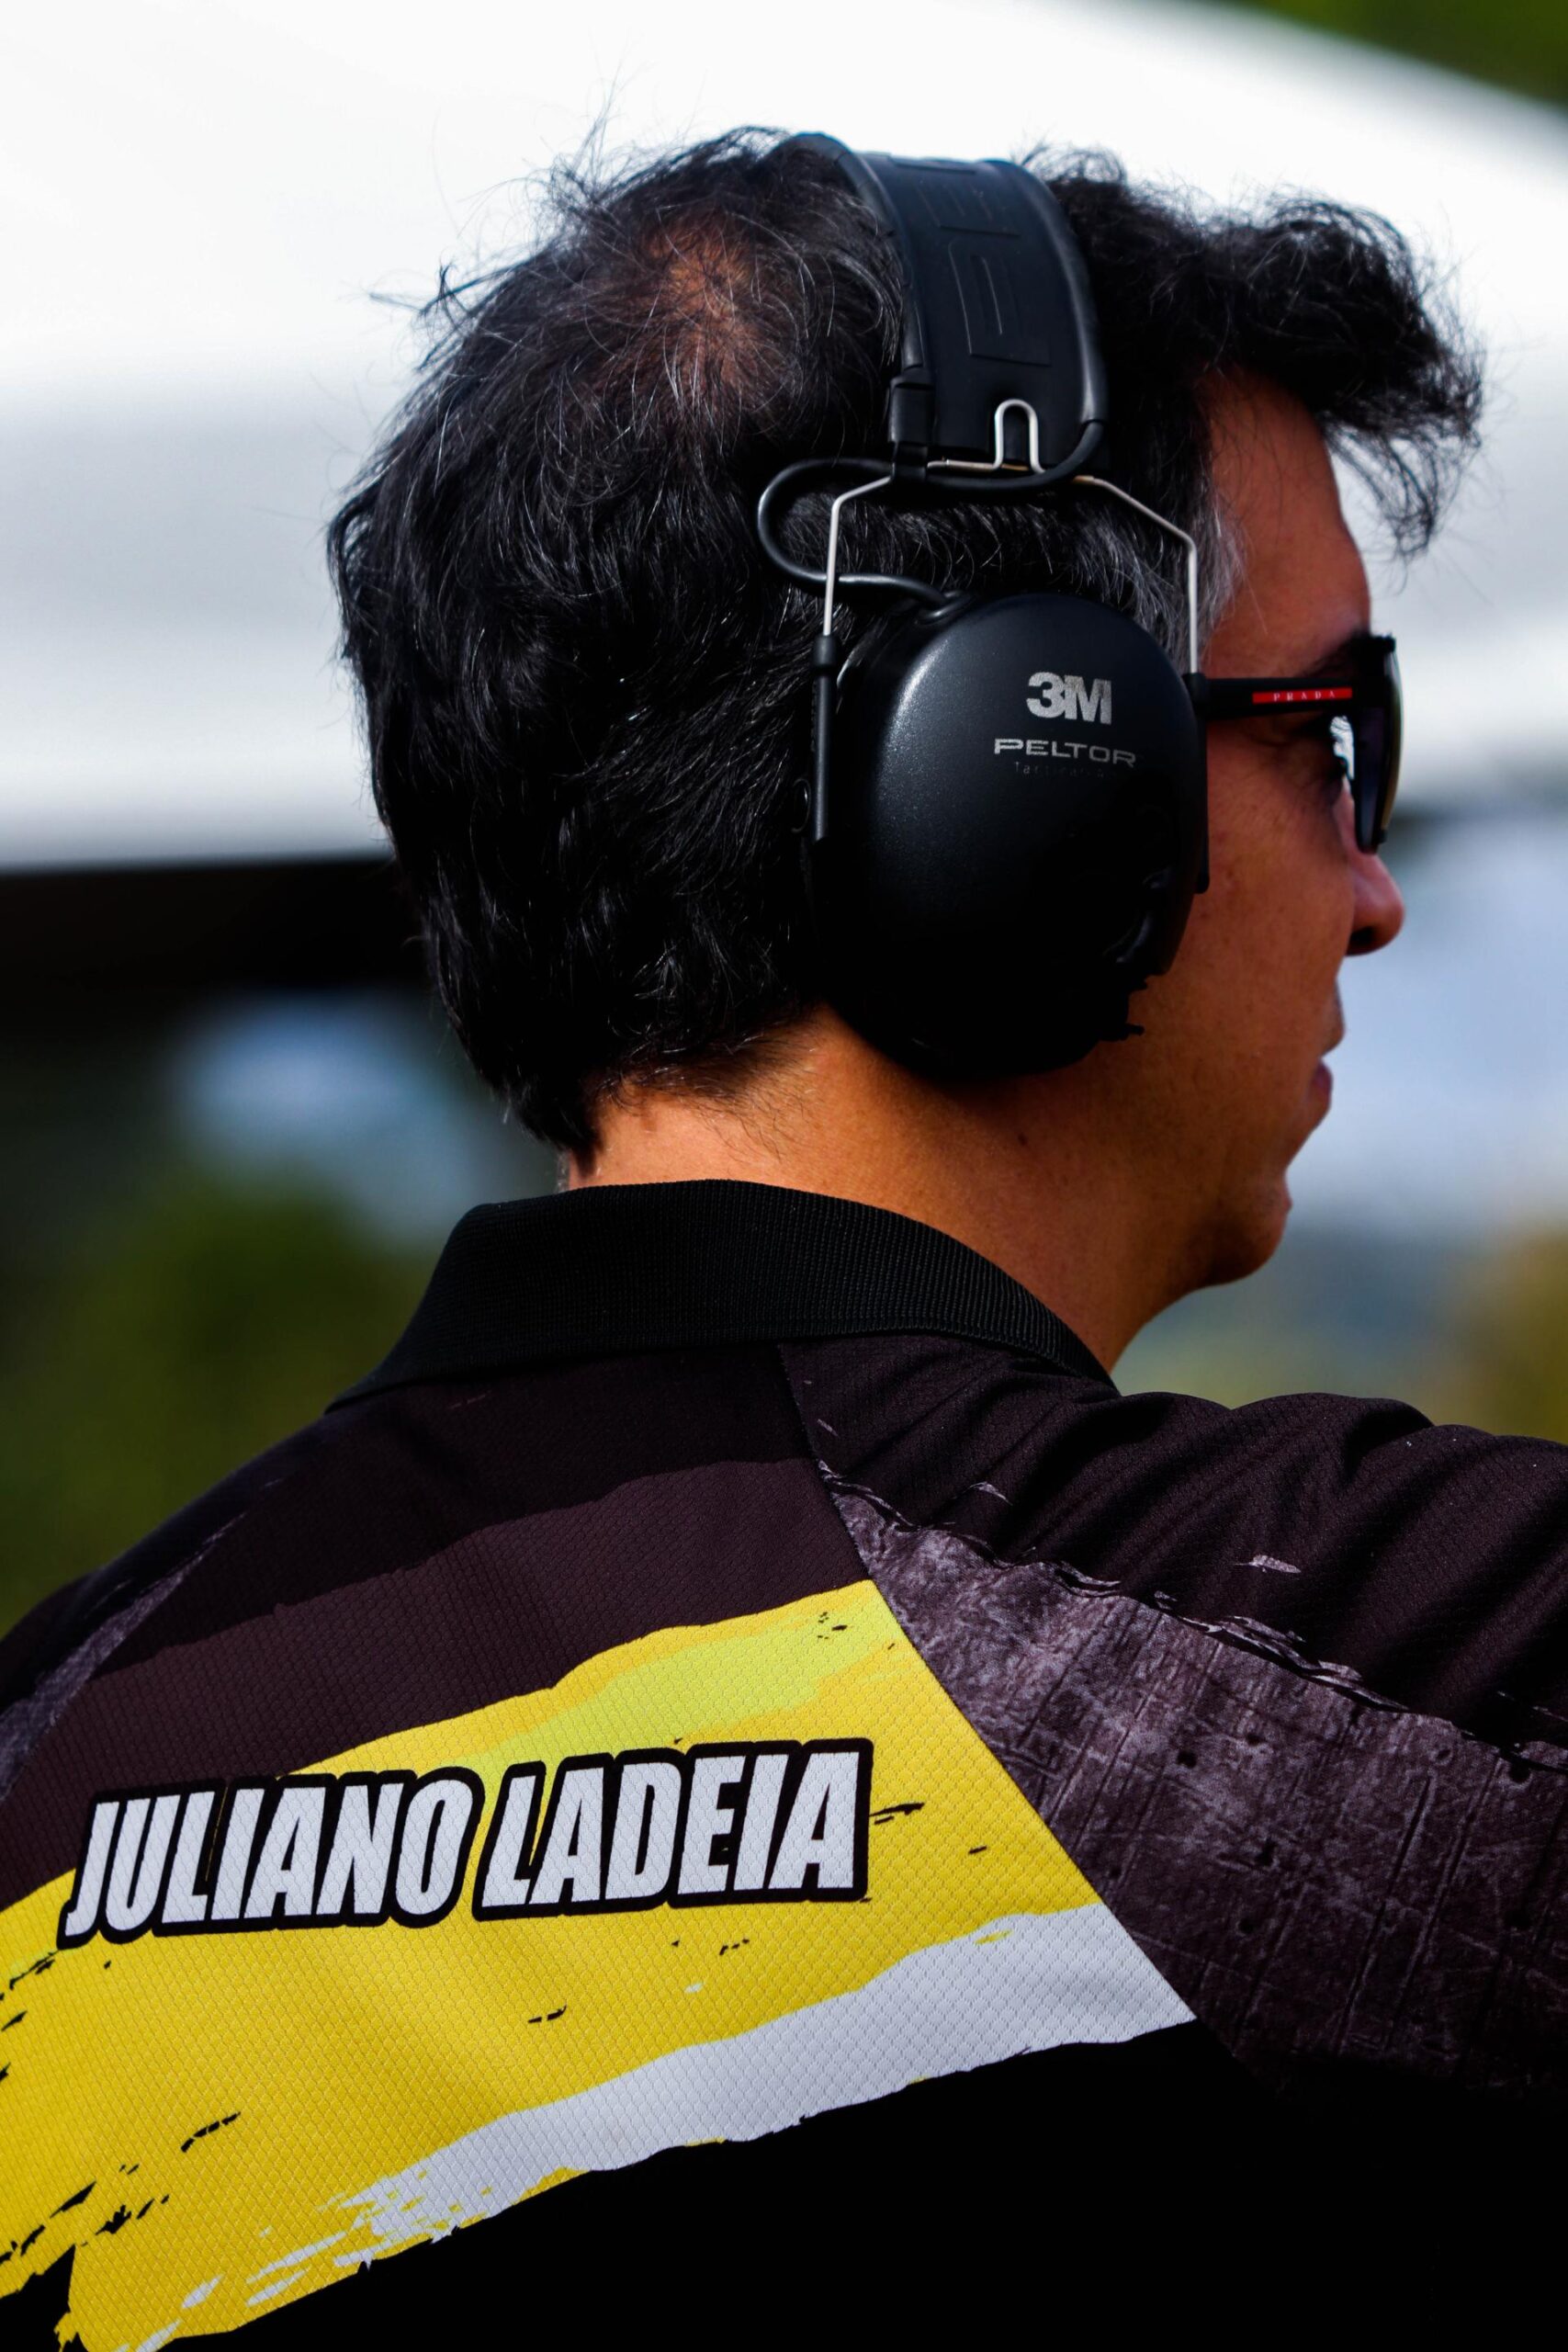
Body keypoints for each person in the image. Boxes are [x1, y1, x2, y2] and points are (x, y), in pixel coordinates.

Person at [1, 130, 1558, 2342]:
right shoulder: (1416, 1693)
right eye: (1328, 732)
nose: (1372, 889)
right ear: (1026, 766)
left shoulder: (45, 1751)